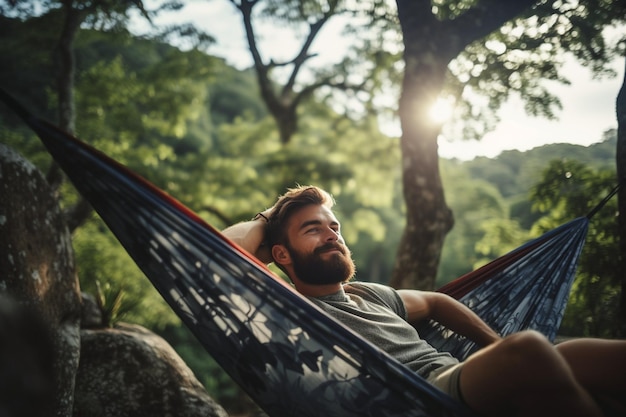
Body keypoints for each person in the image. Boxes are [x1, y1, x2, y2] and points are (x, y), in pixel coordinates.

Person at [222, 185, 626, 417]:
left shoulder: (370, 295)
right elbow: (222, 257)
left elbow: (436, 303)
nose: (332, 235)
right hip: (421, 400)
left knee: (592, 359)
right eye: (313, 229)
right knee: (531, 349)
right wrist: (269, 216)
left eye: (335, 227)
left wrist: (493, 347)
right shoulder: (290, 313)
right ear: (281, 255)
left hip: (463, 377)